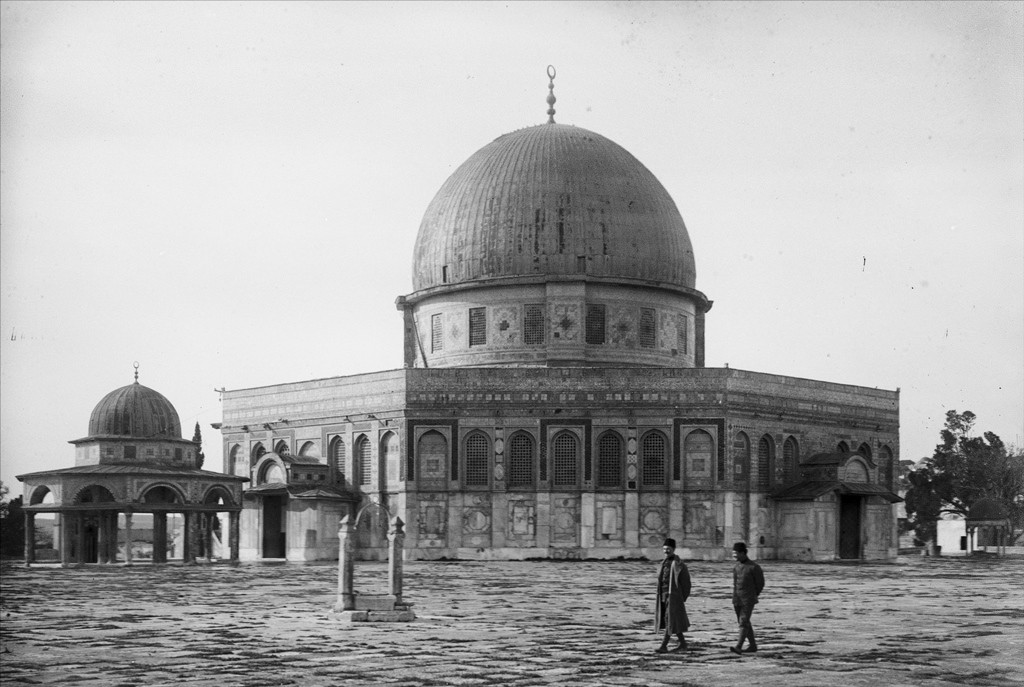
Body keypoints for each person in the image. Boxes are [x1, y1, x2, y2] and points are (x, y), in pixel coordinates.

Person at [654, 537, 691, 653]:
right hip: (663, 596)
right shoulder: (662, 564)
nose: (666, 551)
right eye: (664, 549)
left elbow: (687, 584)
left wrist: (680, 598)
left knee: (669, 620)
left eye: (668, 549)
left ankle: (664, 645)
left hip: (674, 596)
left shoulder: (679, 565)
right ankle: (683, 644)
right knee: (671, 619)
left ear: (673, 549)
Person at [729, 541, 765, 655]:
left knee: (743, 622)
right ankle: (753, 645)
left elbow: (760, 584)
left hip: (748, 599)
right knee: (744, 622)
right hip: (737, 599)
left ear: (743, 553)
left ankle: (739, 646)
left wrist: (752, 596)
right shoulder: (736, 567)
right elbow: (735, 584)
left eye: (736, 553)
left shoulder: (754, 567)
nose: (734, 556)